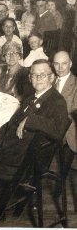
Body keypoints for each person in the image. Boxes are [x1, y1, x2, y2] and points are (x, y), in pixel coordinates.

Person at [0, 59, 70, 226]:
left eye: (42, 75)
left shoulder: (56, 101)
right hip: (10, 153)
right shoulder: (30, 97)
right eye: (33, 75)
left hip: (22, 163)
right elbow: (10, 124)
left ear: (52, 78)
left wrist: (30, 119)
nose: (37, 78)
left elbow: (58, 130)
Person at [53, 51, 77, 179]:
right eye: (56, 64)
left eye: (64, 64)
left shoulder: (76, 84)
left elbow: (74, 113)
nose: (60, 68)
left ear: (70, 64)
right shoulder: (50, 80)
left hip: (68, 130)